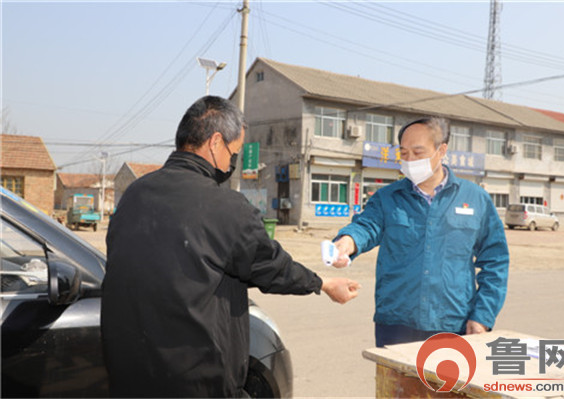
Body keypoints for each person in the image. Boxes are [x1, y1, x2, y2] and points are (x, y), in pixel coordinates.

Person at [101, 96, 360, 398]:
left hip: (130, 374)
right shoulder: (226, 207)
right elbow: (270, 266)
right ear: (215, 143)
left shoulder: (134, 194)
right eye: (233, 152)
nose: (232, 163)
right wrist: (324, 283)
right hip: (196, 380)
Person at [332, 116, 509, 347]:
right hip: (396, 323)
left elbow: (495, 261)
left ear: (441, 150)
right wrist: (347, 242)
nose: (410, 160)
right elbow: (366, 226)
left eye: (418, 152)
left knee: (448, 384)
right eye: (404, 153)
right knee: (396, 384)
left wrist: (482, 316)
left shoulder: (475, 199)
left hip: (453, 324)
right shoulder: (388, 198)